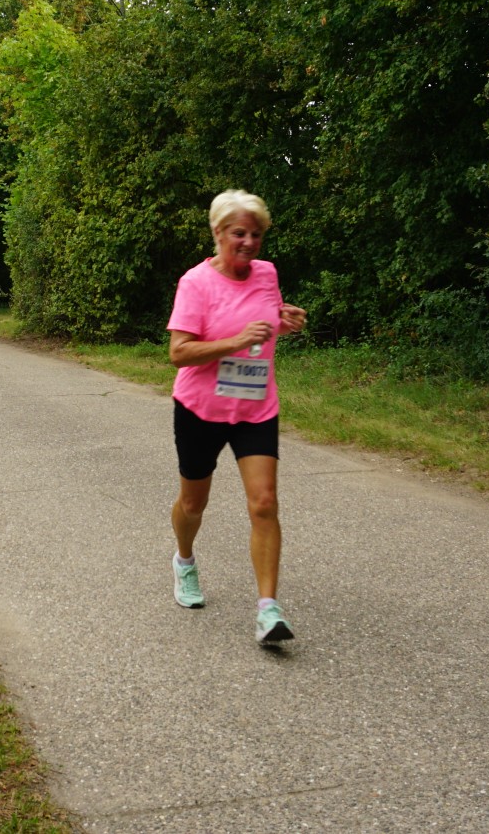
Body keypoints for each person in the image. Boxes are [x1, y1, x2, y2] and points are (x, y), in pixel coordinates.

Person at [165, 189, 307, 645]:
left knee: (264, 502)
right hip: (200, 409)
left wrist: (285, 321)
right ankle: (185, 561)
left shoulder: (267, 274)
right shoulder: (195, 283)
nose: (249, 242)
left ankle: (268, 610)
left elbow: (266, 321)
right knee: (193, 504)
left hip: (254, 406)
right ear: (218, 232)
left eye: (256, 234)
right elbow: (179, 352)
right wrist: (235, 341)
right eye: (239, 233)